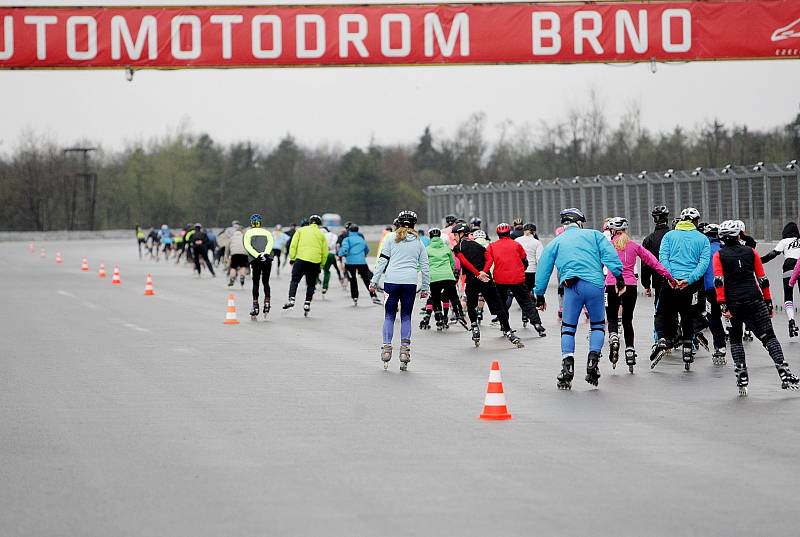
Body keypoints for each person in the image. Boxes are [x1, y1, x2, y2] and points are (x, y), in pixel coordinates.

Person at [534, 208, 624, 390]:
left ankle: (567, 367)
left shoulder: (556, 242)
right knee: (598, 325)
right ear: (580, 222)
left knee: (568, 328)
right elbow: (610, 255)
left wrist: (540, 294)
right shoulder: (595, 235)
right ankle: (593, 361)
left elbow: (544, 268)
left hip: (571, 286)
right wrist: (619, 277)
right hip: (595, 284)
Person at [713, 220, 799, 395]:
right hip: (755, 300)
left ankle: (742, 375)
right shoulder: (751, 252)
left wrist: (723, 306)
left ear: (722, 237)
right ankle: (783, 370)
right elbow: (762, 279)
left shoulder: (719, 256)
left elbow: (719, 281)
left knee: (736, 340)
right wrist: (768, 303)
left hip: (733, 303)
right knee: (769, 337)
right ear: (738, 235)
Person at [603, 217, 676, 373]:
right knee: (628, 320)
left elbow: (595, 264)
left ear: (612, 231)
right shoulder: (634, 246)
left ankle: (614, 336)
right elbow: (653, 262)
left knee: (612, 318)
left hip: (611, 285)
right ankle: (630, 351)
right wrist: (670, 277)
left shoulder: (607, 246)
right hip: (630, 286)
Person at [650, 207, 710, 370]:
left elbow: (663, 258)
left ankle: (662, 338)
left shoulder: (669, 236)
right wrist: (689, 280)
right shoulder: (702, 238)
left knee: (662, 312)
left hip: (670, 283)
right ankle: (688, 348)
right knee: (687, 315)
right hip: (690, 285)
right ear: (696, 221)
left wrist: (671, 278)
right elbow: (703, 264)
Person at [370, 210, 430, 371]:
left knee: (389, 315)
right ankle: (404, 350)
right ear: (414, 225)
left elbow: (381, 262)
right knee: (406, 316)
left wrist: (374, 281)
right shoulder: (418, 242)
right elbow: (425, 267)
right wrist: (425, 287)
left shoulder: (390, 238)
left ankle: (387, 348)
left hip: (391, 281)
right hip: (409, 282)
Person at [452, 222, 523, 348]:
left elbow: (464, 261)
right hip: (486, 278)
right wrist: (484, 272)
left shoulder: (458, 247)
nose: (454, 237)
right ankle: (508, 331)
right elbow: (490, 259)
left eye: (455, 234)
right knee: (498, 305)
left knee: (471, 304)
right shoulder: (479, 245)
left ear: (461, 234)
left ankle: (474, 326)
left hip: (473, 279)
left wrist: (477, 274)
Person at [485, 223, 546, 337]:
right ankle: (537, 324)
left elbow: (488, 261)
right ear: (509, 233)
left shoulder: (492, 246)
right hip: (517, 278)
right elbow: (524, 260)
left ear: (498, 234)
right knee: (526, 302)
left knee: (502, 302)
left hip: (500, 279)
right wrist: (522, 270)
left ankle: (504, 326)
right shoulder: (516, 245)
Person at [760, 222, 800, 338]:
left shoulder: (784, 241)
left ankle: (791, 320)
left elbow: (773, 254)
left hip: (789, 266)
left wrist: (759, 261)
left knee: (788, 296)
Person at [422, 228, 466, 331]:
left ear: (430, 237)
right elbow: (452, 263)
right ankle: (459, 314)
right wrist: (450, 271)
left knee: (436, 298)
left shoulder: (427, 249)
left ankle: (439, 319)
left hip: (434, 277)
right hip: (448, 276)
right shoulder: (447, 248)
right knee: (453, 296)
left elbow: (424, 264)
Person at [284, 214, 328, 315]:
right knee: (311, 284)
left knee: (295, 280)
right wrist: (321, 265)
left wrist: (292, 258)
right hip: (315, 261)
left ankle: (291, 299)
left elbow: (293, 245)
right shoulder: (321, 235)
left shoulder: (301, 230)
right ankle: (307, 303)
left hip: (301, 259)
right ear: (319, 224)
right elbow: (325, 252)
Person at [700, 223, 727, 363]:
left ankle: (720, 346)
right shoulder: (726, 248)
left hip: (710, 289)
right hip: (728, 288)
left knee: (713, 318)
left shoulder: (704, 250)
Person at [338, 224, 379, 306]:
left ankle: (355, 297)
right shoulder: (361, 239)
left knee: (353, 280)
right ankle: (373, 295)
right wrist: (363, 255)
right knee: (366, 279)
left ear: (349, 231)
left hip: (350, 263)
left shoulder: (347, 239)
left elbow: (344, 249)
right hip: (362, 262)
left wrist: (342, 254)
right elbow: (367, 249)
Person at [243, 214, 274, 318]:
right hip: (267, 258)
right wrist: (265, 253)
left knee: (256, 282)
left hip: (255, 260)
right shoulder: (267, 232)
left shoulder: (248, 233)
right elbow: (270, 244)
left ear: (251, 223)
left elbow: (248, 246)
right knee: (266, 281)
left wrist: (257, 255)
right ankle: (267, 302)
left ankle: (255, 305)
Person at [514, 223, 544, 325]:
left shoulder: (517, 241)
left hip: (519, 270)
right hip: (532, 271)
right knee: (529, 293)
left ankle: (523, 315)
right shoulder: (537, 243)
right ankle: (526, 315)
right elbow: (539, 259)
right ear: (534, 232)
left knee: (521, 293)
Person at [321, 226, 343, 295]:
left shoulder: (322, 235)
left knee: (322, 270)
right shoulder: (334, 235)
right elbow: (336, 246)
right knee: (335, 267)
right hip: (332, 254)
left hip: (324, 254)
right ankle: (340, 277)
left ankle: (322, 285)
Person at [227, 222, 249, 288]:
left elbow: (227, 247)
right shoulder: (245, 237)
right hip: (244, 254)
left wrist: (227, 255)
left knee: (233, 267)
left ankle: (232, 278)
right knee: (243, 266)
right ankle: (242, 276)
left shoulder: (232, 237)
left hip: (234, 254)